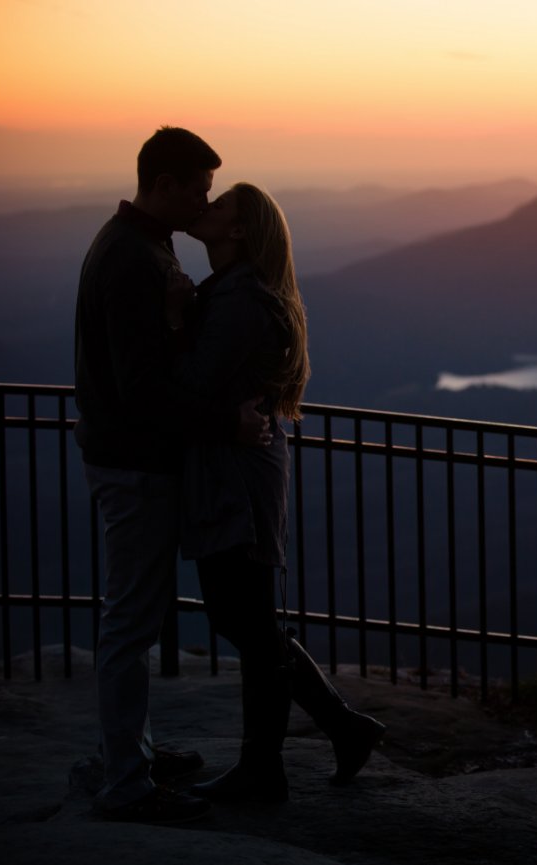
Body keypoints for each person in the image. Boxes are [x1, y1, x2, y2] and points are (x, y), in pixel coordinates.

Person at [168, 181, 385, 804]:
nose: (204, 207)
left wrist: (177, 319)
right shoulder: (239, 294)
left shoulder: (237, 302)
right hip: (240, 471)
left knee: (246, 621)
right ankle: (339, 731)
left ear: (239, 232)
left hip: (235, 477)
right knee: (248, 620)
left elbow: (192, 384)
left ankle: (267, 768)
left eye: (219, 206)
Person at [74, 126, 267, 824]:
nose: (203, 203)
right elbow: (141, 390)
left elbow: (147, 370)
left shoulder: (136, 246)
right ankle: (125, 780)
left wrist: (178, 318)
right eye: (198, 190)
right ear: (164, 184)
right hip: (134, 465)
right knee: (129, 621)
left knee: (136, 615)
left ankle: (131, 751)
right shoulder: (134, 259)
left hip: (124, 457)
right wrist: (230, 425)